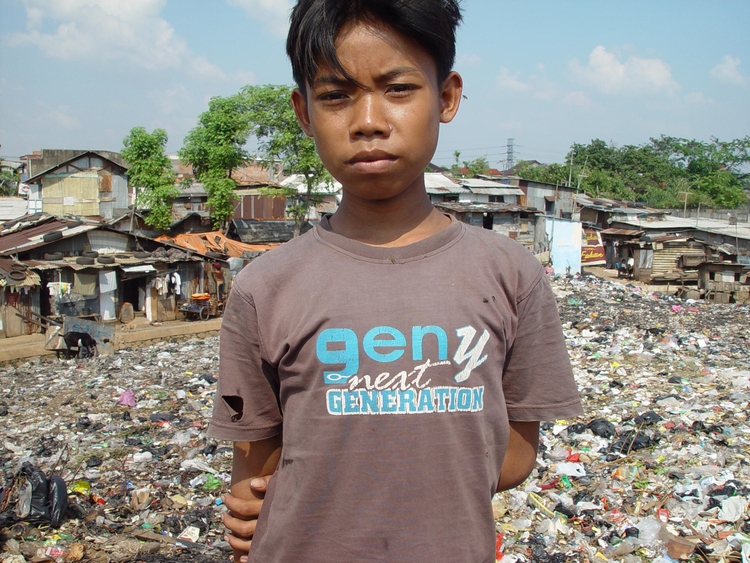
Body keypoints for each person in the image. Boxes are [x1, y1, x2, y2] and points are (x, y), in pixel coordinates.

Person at [209, 1, 583, 561]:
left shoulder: (510, 276)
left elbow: (513, 457)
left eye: (398, 89)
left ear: (448, 96)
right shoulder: (266, 287)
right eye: (335, 95)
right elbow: (254, 471)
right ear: (304, 112)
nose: (368, 121)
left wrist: (382, 492)